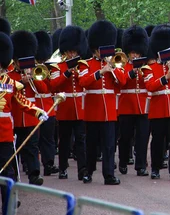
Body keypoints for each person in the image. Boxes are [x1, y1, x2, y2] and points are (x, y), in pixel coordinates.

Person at [0, 33, 48, 211]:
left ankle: (9, 205)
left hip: (5, 135)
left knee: (8, 172)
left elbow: (23, 102)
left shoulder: (10, 83)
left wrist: (38, 112)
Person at [78, 20, 124, 185]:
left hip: (109, 111)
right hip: (93, 110)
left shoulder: (114, 64)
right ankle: (88, 172)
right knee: (91, 145)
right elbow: (83, 81)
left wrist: (112, 68)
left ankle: (109, 175)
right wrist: (99, 72)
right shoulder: (86, 64)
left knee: (109, 145)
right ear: (95, 49)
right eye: (100, 49)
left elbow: (123, 81)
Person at [142, 24, 170, 181]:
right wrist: (165, 77)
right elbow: (150, 86)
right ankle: (155, 168)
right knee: (158, 140)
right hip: (158, 107)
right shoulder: (149, 68)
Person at [9, 31, 48, 185]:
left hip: (31, 116)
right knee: (14, 150)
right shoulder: (10, 75)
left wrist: (31, 77)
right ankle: (14, 176)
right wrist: (22, 81)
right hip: (15, 116)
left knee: (32, 147)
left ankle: (34, 174)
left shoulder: (33, 71)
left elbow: (43, 89)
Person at [48, 26, 87, 180]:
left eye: (74, 51)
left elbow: (85, 84)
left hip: (79, 107)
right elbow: (53, 84)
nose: (72, 54)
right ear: (64, 51)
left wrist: (77, 74)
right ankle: (63, 168)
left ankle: (82, 170)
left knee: (80, 140)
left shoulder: (82, 65)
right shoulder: (58, 66)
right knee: (64, 141)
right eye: (69, 51)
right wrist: (66, 73)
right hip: (65, 108)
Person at [117, 26, 151, 176]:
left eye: (137, 53)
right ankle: (123, 161)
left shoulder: (146, 66)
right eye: (132, 53)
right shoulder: (122, 65)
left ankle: (141, 165)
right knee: (125, 137)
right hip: (126, 105)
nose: (135, 55)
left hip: (143, 106)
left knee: (143, 137)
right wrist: (132, 72)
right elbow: (121, 81)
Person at [33, 31, 59, 177]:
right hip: (35, 107)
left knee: (48, 138)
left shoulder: (49, 68)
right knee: (35, 139)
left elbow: (52, 87)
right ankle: (32, 166)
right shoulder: (30, 68)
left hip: (48, 107)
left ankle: (48, 163)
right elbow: (40, 88)